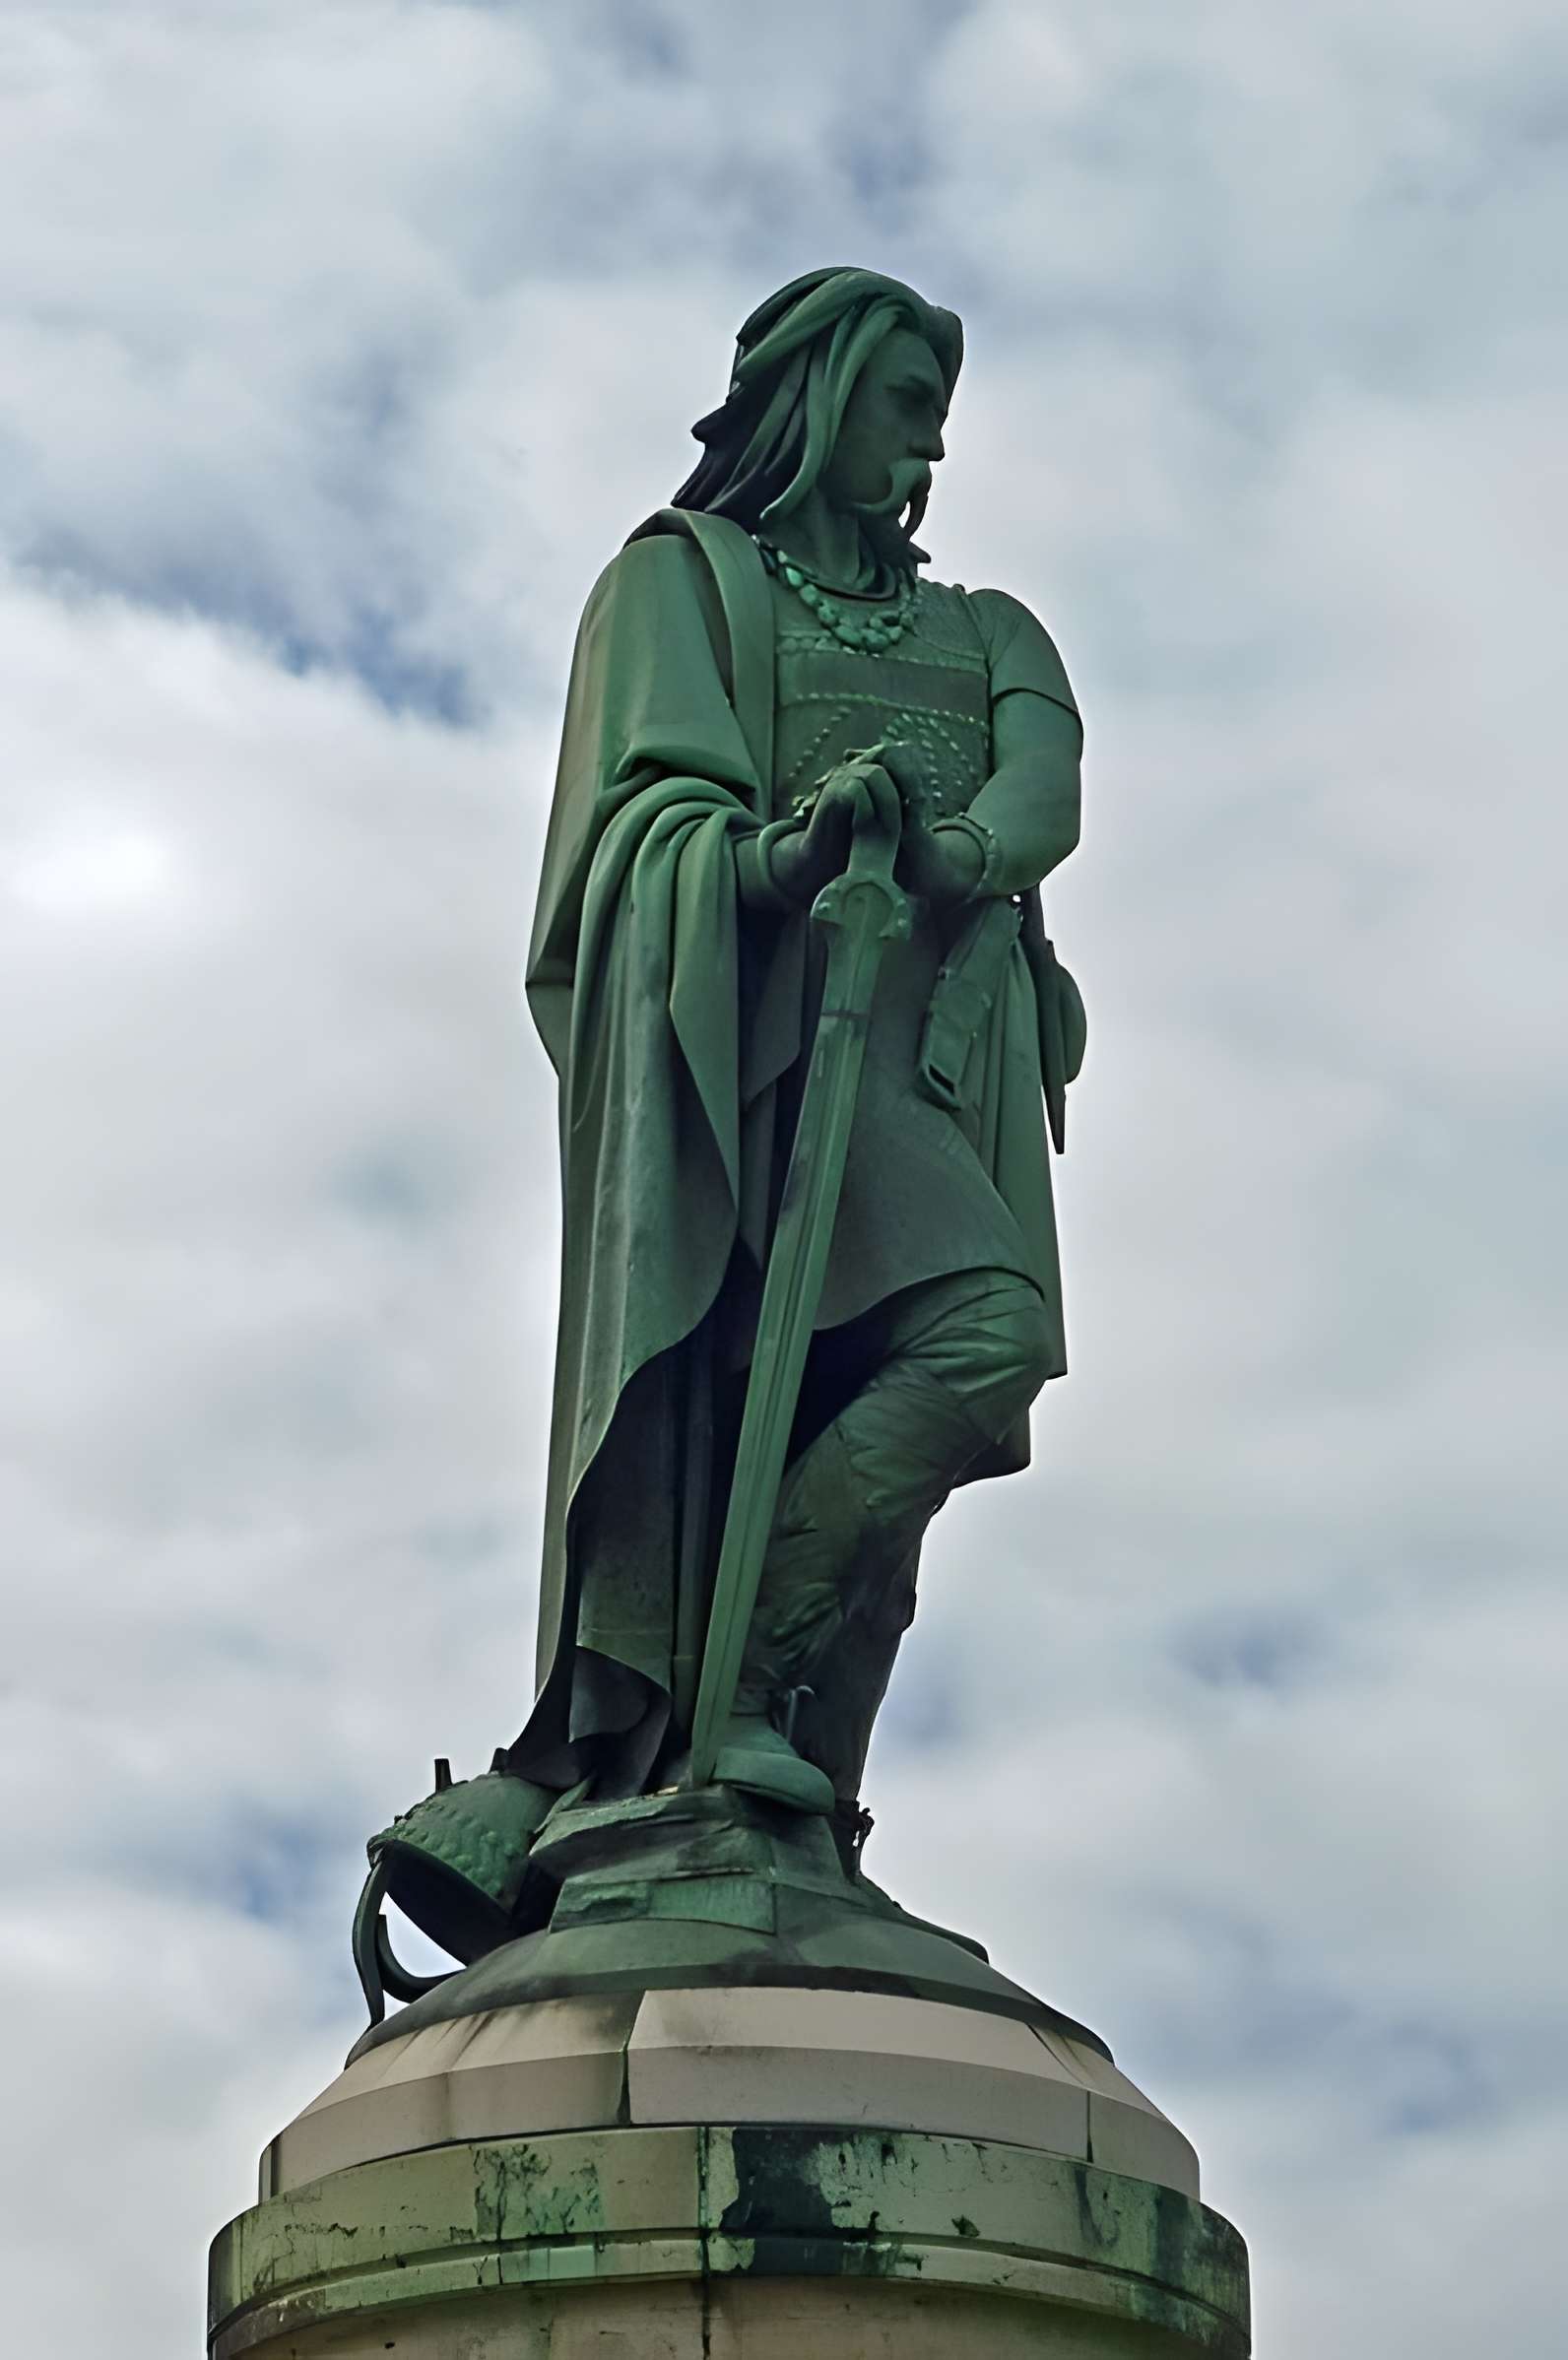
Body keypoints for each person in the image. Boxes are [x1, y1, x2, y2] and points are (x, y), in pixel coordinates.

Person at [510, 268, 1084, 1839]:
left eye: (944, 417)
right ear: (822, 395)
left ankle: (803, 1792)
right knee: (987, 1335)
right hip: (760, 1053)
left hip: (935, 1069)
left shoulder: (986, 629)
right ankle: (725, 1692)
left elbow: (1050, 788)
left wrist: (948, 848)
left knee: (916, 1405)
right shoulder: (682, 585)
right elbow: (642, 829)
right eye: (909, 406)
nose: (933, 449)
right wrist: (786, 857)